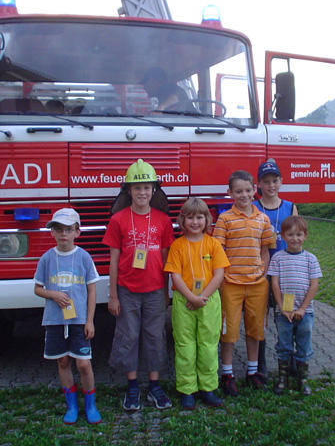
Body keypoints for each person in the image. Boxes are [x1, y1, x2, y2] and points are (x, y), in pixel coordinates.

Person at [102, 159, 175, 411]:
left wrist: (166, 292)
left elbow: (167, 259)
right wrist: (113, 295)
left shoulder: (163, 220)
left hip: (155, 290)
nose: (142, 192)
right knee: (128, 336)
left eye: (147, 187)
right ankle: (132, 386)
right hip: (127, 290)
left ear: (154, 190)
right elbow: (113, 261)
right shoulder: (118, 220)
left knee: (155, 336)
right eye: (137, 188)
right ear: (128, 191)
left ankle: (154, 385)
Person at [33, 208, 101, 425]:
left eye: (68, 230)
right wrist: (52, 294)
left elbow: (92, 290)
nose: (64, 234)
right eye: (59, 229)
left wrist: (89, 320)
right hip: (55, 320)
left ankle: (90, 405)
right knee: (62, 361)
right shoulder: (46, 258)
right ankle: (71, 405)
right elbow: (37, 288)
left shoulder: (84, 257)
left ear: (77, 232)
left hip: (79, 320)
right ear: (52, 232)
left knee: (83, 364)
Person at [213, 170, 276, 396]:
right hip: (231, 283)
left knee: (255, 329)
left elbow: (266, 250)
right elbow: (218, 250)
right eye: (238, 191)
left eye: (248, 190)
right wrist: (224, 276)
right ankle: (227, 374)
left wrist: (263, 273)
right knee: (228, 331)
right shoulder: (225, 219)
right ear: (230, 193)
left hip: (257, 284)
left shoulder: (263, 219)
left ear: (254, 191)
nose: (244, 195)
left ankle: (252, 371)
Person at [164, 197, 230, 409]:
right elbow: (175, 275)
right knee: (185, 345)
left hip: (209, 301)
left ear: (207, 219)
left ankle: (208, 388)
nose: (195, 222)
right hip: (184, 302)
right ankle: (187, 389)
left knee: (208, 345)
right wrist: (191, 298)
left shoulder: (213, 244)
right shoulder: (177, 245)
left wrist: (203, 298)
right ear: (182, 220)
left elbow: (219, 274)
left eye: (199, 217)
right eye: (190, 217)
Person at [253, 158, 298, 379]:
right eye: (266, 181)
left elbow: (297, 238)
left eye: (275, 180)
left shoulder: (290, 207)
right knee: (261, 317)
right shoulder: (253, 208)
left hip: (286, 275)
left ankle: (288, 361)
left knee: (286, 314)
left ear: (281, 181)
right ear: (259, 184)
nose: (271, 185)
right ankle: (260, 364)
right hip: (261, 273)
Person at [268, 216, 322, 395]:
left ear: (305, 236)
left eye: (299, 234)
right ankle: (282, 377)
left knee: (304, 344)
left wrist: (302, 308)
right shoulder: (277, 258)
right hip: (283, 312)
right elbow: (274, 283)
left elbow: (314, 284)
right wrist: (282, 307)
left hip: (305, 312)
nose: (295, 238)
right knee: (284, 344)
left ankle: (302, 379)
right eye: (290, 234)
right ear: (283, 236)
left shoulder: (310, 259)